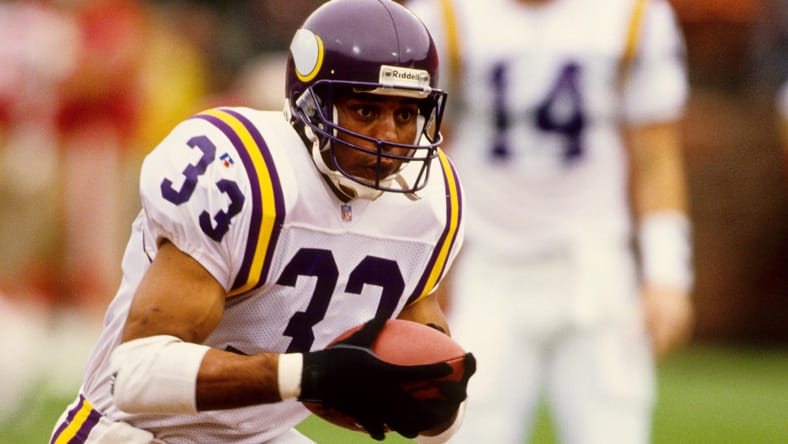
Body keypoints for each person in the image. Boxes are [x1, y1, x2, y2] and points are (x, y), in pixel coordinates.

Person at [48, 1, 475, 443]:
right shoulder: (245, 175)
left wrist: (436, 402)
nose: (388, 136)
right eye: (365, 111)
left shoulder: (426, 202)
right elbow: (135, 375)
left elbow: (433, 390)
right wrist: (309, 376)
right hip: (134, 430)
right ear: (312, 104)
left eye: (405, 114)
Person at [404, 0, 694, 443]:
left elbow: (656, 156)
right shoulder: (441, 13)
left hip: (594, 264)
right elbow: (419, 156)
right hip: (488, 265)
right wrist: (423, 275)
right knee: (465, 431)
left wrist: (667, 272)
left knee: (613, 432)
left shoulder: (634, 13)